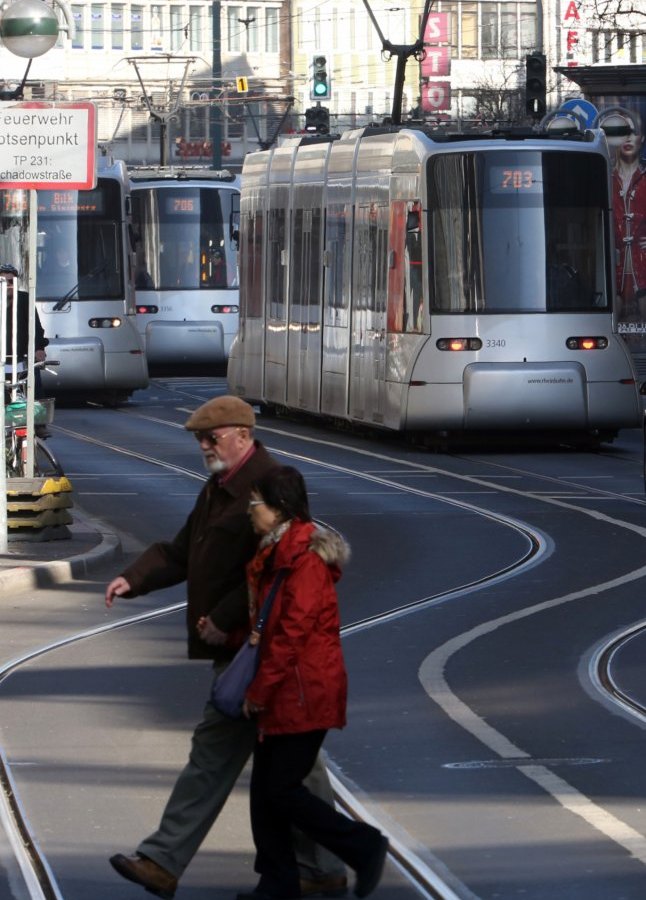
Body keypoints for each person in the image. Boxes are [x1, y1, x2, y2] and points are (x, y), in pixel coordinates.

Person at [105, 395, 347, 900]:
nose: (202, 445)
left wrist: (225, 618)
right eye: (198, 437)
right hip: (243, 650)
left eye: (210, 437)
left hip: (254, 651)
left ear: (241, 433)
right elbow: (182, 552)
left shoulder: (268, 486)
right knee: (296, 764)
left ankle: (163, 860)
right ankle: (323, 865)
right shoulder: (219, 488)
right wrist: (134, 578)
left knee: (218, 754)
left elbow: (278, 567)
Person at [239, 466, 389, 900]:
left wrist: (258, 691)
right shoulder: (276, 553)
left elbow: (290, 634)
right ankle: (278, 883)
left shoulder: (302, 560)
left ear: (280, 509)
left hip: (304, 693)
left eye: (255, 504)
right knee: (266, 793)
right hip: (288, 690)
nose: (250, 512)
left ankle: (363, 845)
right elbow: (266, 625)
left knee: (282, 790)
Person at [611, 111, 646, 317]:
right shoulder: (604, 176)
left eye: (633, 132)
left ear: (642, 138)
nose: (628, 138)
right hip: (614, 266)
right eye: (622, 132)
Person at [1, 263, 49, 400]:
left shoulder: (24, 299)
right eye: (3, 281)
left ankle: (37, 417)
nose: (7, 285)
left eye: (11, 281)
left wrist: (39, 348)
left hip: (22, 357)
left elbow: (36, 328)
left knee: (35, 389)